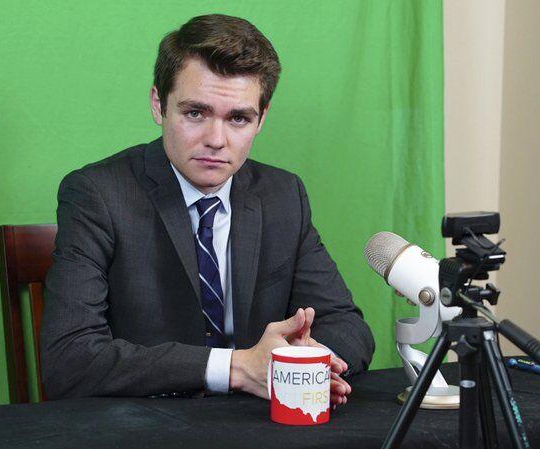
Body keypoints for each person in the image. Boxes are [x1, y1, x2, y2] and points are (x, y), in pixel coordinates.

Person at [41, 14, 374, 406]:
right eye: (195, 113)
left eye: (238, 118)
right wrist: (238, 367)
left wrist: (303, 363)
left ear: (261, 119)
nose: (216, 140)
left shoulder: (283, 195)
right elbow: (69, 360)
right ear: (158, 105)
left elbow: (348, 327)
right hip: (146, 426)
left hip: (258, 425)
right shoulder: (97, 194)